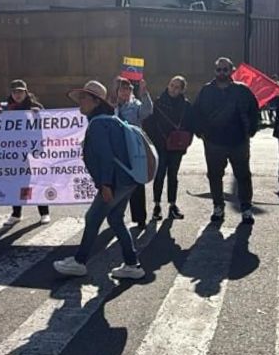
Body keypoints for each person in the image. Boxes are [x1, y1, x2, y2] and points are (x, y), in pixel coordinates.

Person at [54, 80, 143, 280]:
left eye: (84, 98)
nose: (80, 102)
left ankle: (79, 262)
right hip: (128, 179)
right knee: (115, 219)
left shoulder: (98, 124)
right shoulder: (111, 120)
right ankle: (132, 264)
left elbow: (105, 156)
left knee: (93, 217)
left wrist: (106, 185)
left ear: (96, 102)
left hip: (115, 181)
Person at [192, 56, 260, 225]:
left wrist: (251, 130)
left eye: (225, 69)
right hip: (214, 142)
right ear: (215, 71)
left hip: (238, 141)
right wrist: (200, 132)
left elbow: (254, 110)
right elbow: (196, 112)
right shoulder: (206, 91)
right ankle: (218, 207)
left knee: (243, 176)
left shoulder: (242, 90)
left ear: (231, 71)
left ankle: (246, 209)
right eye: (218, 69)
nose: (221, 72)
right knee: (214, 176)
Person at [0, 79, 51, 226]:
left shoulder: (35, 106)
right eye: (15, 92)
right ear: (11, 93)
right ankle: (16, 213)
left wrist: (39, 115)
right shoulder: (6, 108)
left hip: (33, 149)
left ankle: (44, 213)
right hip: (14, 151)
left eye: (20, 91)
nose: (18, 94)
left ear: (26, 92)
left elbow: (48, 124)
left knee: (37, 180)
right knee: (15, 181)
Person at [144, 75, 193, 220]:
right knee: (159, 175)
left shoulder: (186, 105)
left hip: (177, 147)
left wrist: (186, 141)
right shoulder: (158, 103)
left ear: (182, 90)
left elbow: (190, 125)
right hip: (161, 146)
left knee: (173, 176)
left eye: (177, 87)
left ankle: (172, 205)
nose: (173, 89)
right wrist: (156, 141)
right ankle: (157, 206)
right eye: (172, 85)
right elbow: (150, 124)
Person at [114, 77, 154, 228]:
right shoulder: (111, 106)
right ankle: (116, 217)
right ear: (117, 91)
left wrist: (144, 93)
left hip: (134, 149)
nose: (125, 92)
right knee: (118, 185)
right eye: (122, 89)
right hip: (117, 150)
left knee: (137, 183)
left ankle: (140, 218)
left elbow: (147, 111)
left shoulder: (135, 104)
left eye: (128, 89)